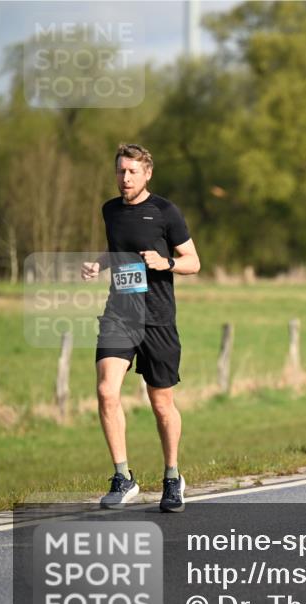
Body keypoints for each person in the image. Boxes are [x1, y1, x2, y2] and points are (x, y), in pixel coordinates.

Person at [82, 143, 200, 511]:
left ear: (147, 174)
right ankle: (123, 477)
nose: (125, 177)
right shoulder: (110, 211)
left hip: (158, 318)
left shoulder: (166, 212)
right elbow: (120, 250)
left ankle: (172, 477)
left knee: (161, 404)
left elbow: (193, 261)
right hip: (119, 314)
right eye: (121, 171)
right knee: (106, 392)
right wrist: (98, 264)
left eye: (132, 171)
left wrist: (167, 263)